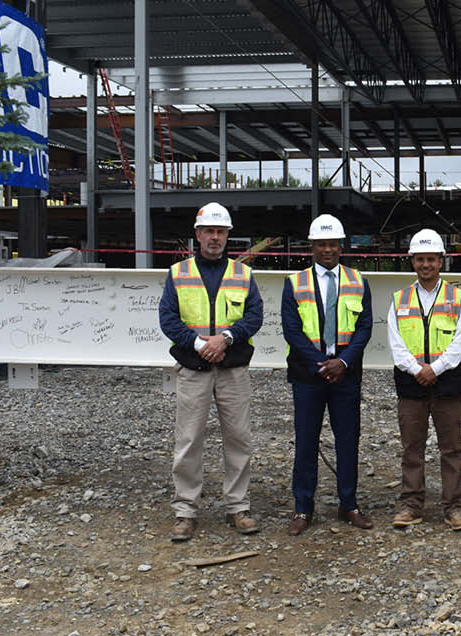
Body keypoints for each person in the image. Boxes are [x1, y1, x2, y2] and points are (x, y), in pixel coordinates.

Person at [158, 202, 264, 542]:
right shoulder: (178, 274)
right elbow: (168, 319)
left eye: (220, 232)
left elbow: (254, 316)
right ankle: (185, 511)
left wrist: (226, 338)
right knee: (188, 440)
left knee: (238, 439)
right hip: (194, 368)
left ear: (228, 235)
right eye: (209, 231)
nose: (215, 237)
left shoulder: (243, 274)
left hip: (233, 368)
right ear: (198, 234)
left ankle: (238, 507)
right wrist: (199, 344)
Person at [281, 213, 374, 534]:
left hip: (345, 375)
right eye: (321, 244)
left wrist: (343, 362)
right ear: (312, 246)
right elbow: (292, 331)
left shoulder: (358, 281)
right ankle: (302, 508)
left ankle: (348, 504)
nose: (327, 249)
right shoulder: (295, 283)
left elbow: (363, 329)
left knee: (348, 441)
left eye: (333, 243)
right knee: (306, 442)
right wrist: (321, 363)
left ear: (341, 245)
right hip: (308, 377)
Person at [387, 229, 461, 531]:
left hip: (448, 383)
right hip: (411, 385)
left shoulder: (458, 298)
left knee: (451, 448)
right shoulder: (399, 300)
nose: (426, 265)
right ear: (412, 261)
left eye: (431, 259)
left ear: (441, 260)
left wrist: (434, 368)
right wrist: (417, 369)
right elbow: (396, 344)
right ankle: (411, 504)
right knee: (412, 447)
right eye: (420, 259)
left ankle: (453, 506)